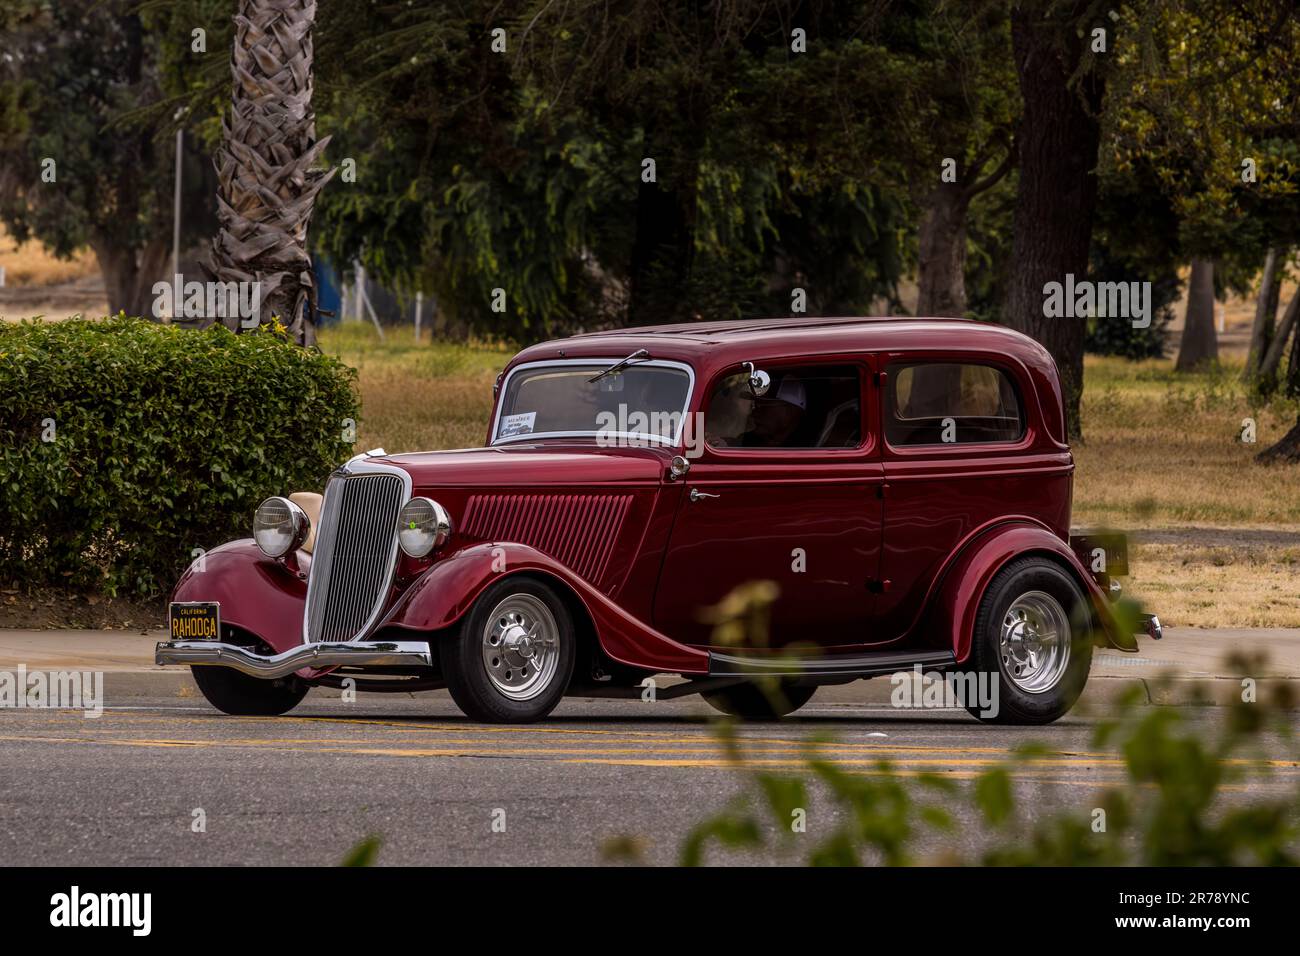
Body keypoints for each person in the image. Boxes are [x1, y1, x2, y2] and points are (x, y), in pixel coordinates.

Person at [745, 376, 806, 447]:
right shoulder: (746, 441)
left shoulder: (806, 448)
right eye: (755, 405)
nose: (754, 413)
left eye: (763, 406)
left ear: (787, 413)